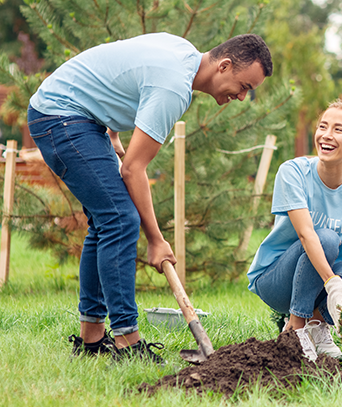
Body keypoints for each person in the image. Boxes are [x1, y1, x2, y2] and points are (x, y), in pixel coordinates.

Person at [27, 33, 273, 363]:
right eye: (243, 86)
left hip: (78, 115)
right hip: (62, 116)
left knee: (105, 223)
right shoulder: (173, 87)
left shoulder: (183, 52)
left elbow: (119, 64)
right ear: (224, 65)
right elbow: (133, 170)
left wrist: (112, 129)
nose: (243, 96)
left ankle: (91, 341)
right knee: (119, 219)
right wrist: (156, 241)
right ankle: (128, 344)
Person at [246, 99, 342, 360]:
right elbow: (306, 234)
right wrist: (332, 281)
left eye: (338, 129)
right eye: (323, 126)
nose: (326, 135)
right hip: (276, 280)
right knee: (326, 237)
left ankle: (317, 325)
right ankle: (295, 329)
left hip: (319, 281)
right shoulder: (294, 171)